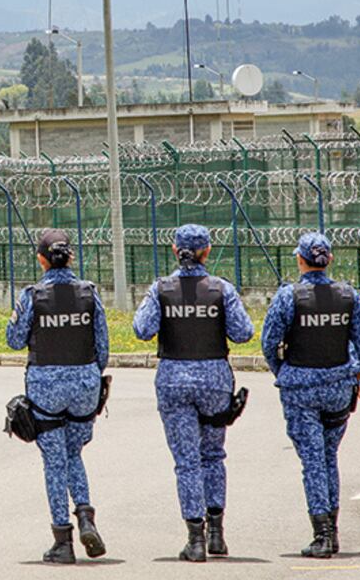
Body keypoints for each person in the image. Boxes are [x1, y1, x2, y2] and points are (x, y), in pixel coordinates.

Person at [133, 224, 254, 563]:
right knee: (213, 455)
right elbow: (243, 332)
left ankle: (194, 538)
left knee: (186, 461)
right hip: (214, 378)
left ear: (175, 250)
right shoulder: (221, 289)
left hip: (173, 378)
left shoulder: (161, 289)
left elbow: (142, 329)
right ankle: (217, 534)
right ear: (208, 251)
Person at [261, 233, 360, 558]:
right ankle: (332, 530)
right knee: (328, 458)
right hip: (338, 387)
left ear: (300, 260)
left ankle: (322, 535)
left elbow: (268, 343)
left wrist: (284, 373)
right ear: (329, 260)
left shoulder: (289, 296)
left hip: (300, 389)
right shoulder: (348, 295)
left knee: (313, 462)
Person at [6, 229, 109, 564]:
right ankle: (85, 516)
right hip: (85, 386)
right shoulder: (89, 293)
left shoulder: (32, 295)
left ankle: (62, 540)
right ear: (72, 257)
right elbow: (102, 348)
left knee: (54, 461)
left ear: (41, 259)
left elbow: (14, 339)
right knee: (74, 453)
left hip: (46, 388)